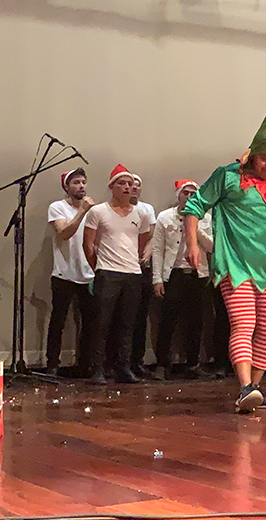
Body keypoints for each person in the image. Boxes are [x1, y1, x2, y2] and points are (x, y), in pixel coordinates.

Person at [182, 107, 266, 413]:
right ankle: (245, 386)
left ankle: (254, 390)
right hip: (235, 264)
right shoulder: (228, 176)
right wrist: (192, 243)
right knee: (244, 323)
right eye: (264, 158)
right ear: (251, 155)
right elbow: (195, 206)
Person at [83, 164, 153, 384]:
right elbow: (88, 244)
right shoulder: (98, 211)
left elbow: (142, 241)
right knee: (101, 324)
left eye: (130, 184)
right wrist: (98, 267)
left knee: (127, 324)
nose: (127, 187)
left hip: (132, 273)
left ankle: (123, 367)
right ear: (112, 187)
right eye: (122, 183)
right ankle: (97, 369)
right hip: (108, 273)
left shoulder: (140, 213)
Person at [151, 179, 213, 380]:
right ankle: (162, 364)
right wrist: (157, 279)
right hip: (174, 274)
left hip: (198, 275)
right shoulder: (165, 217)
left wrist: (194, 228)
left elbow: (212, 247)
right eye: (185, 193)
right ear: (179, 195)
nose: (189, 197)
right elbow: (157, 249)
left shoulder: (206, 218)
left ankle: (193, 364)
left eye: (193, 193)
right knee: (167, 322)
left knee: (196, 322)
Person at [44, 168, 96, 376]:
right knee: (59, 320)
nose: (81, 186)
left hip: (88, 273)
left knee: (90, 322)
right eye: (76, 182)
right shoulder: (58, 207)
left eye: (83, 182)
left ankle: (85, 365)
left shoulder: (94, 210)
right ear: (67, 187)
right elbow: (64, 233)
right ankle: (52, 364)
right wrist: (82, 211)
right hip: (64, 273)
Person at [128, 175, 157, 378]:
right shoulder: (114, 210)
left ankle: (137, 361)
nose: (134, 189)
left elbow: (151, 236)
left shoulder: (146, 210)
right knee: (122, 319)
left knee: (140, 318)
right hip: (122, 266)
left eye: (138, 186)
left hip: (142, 267)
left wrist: (145, 256)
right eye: (131, 185)